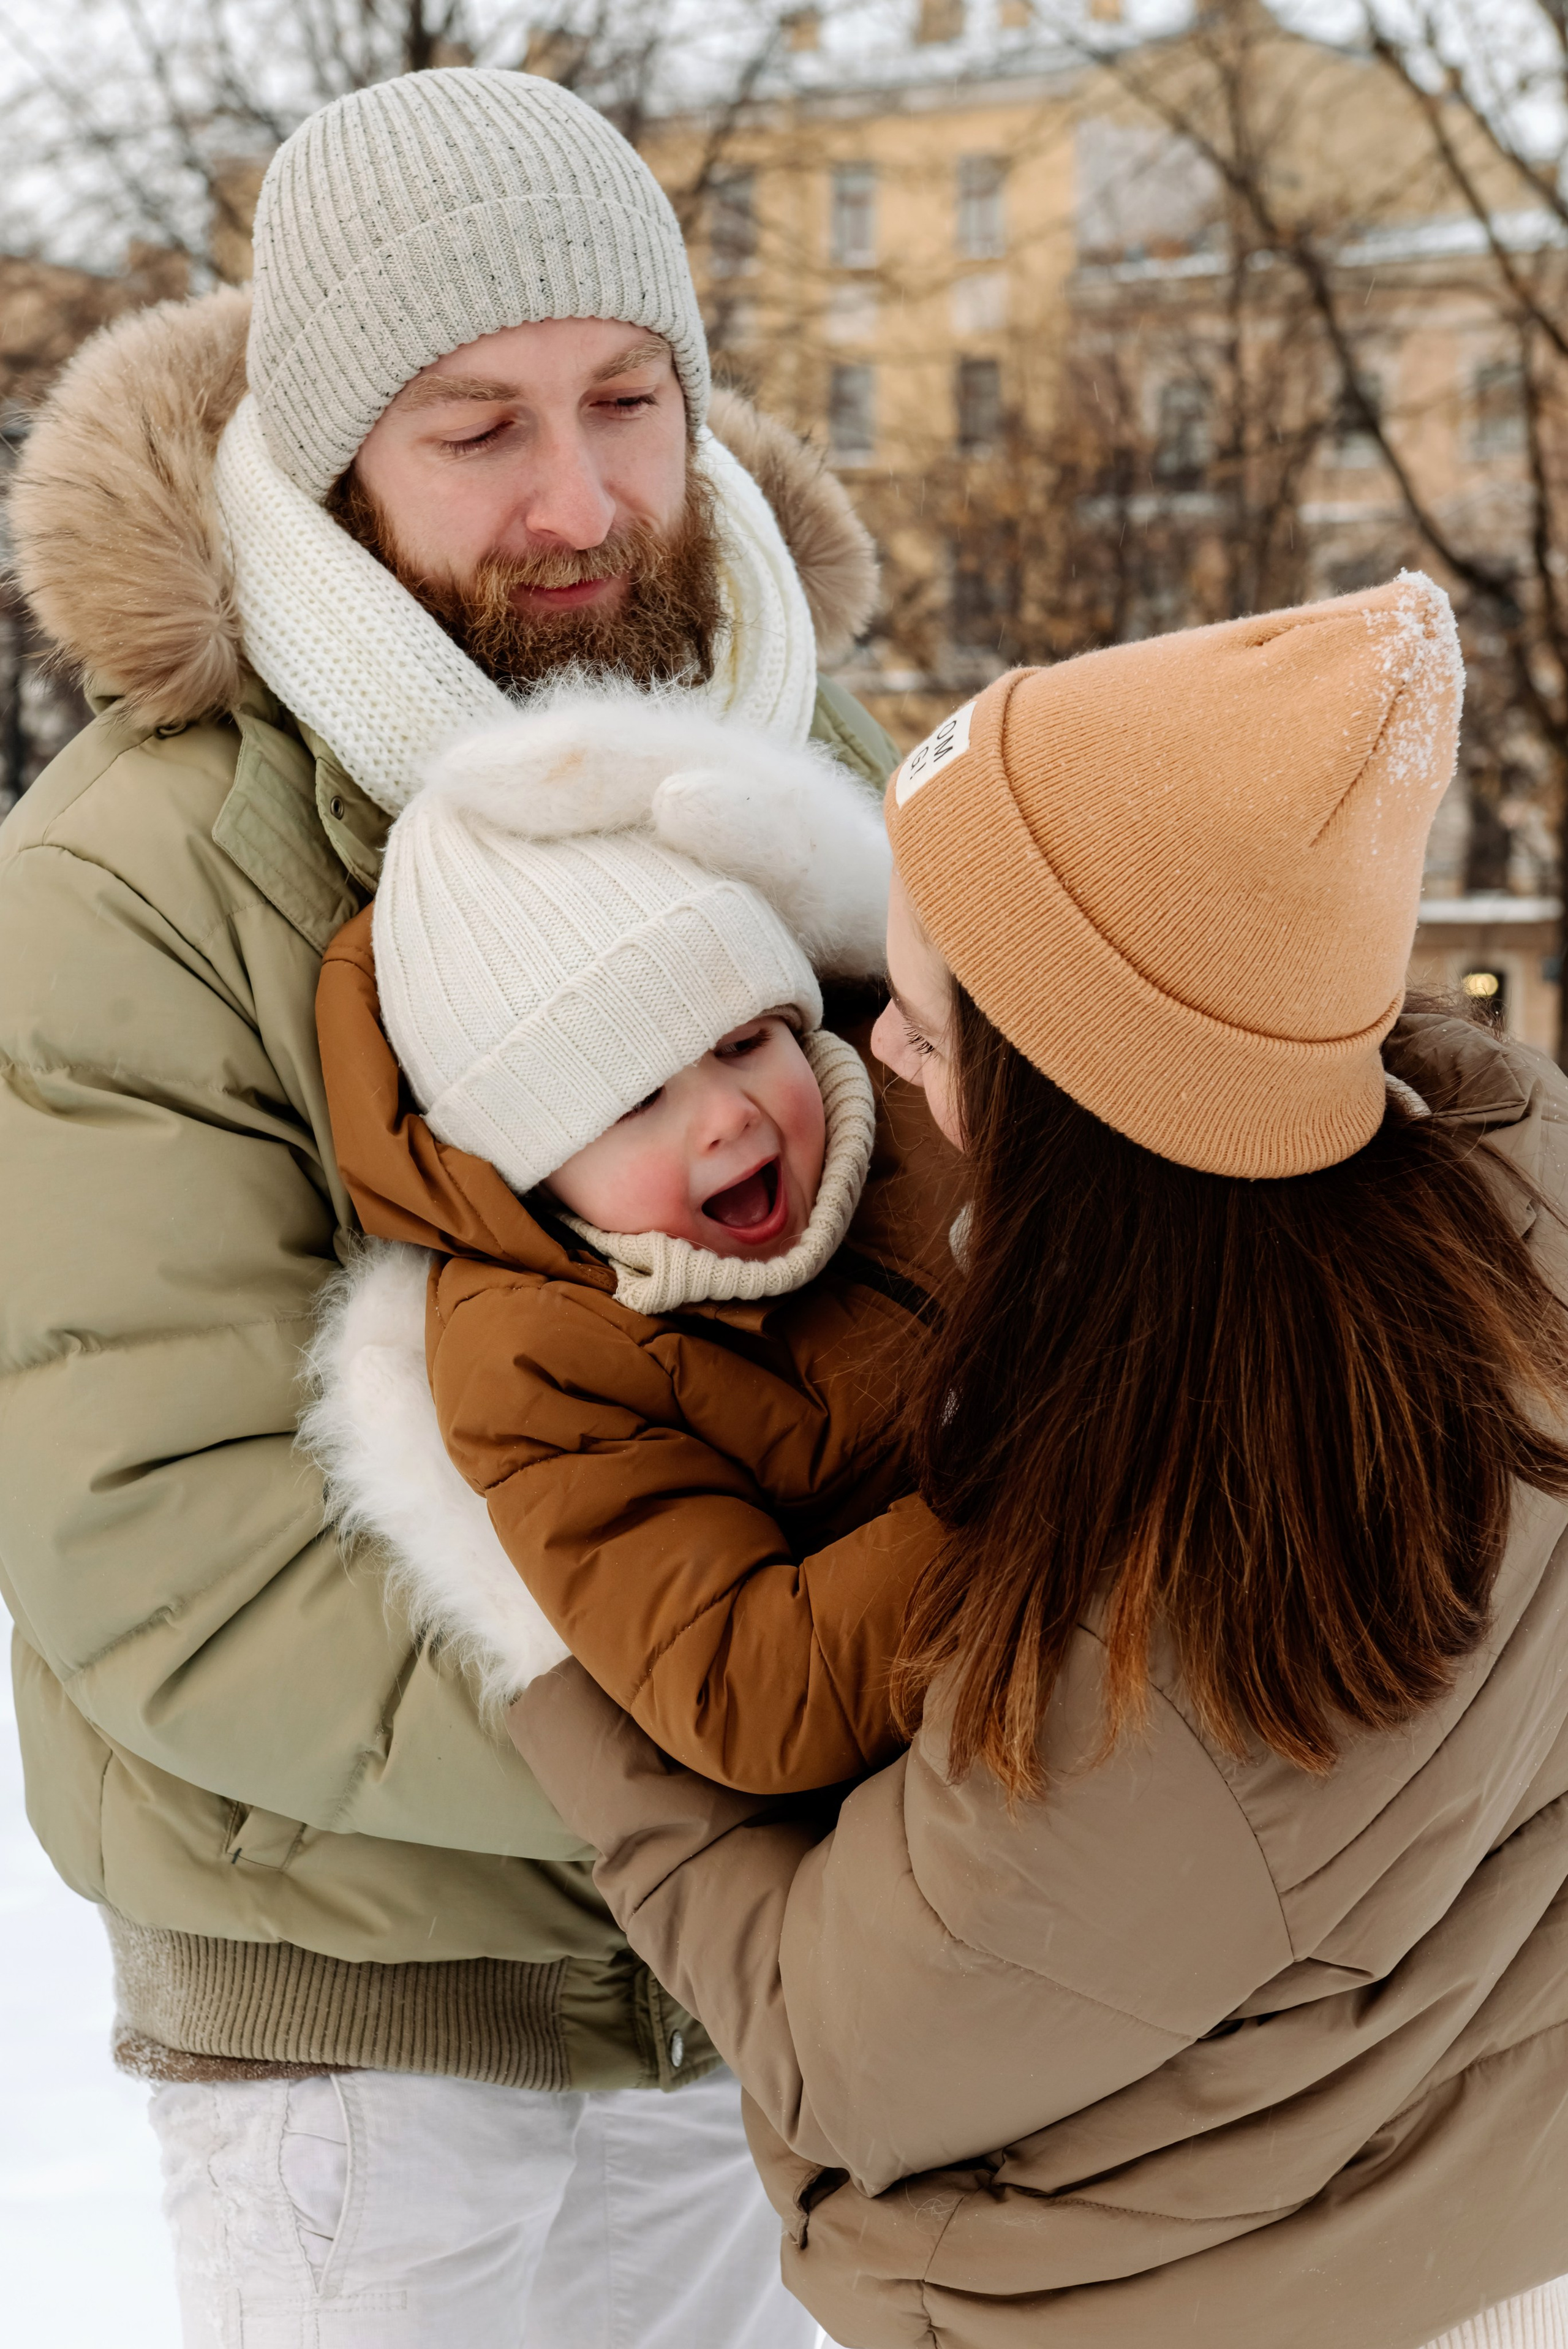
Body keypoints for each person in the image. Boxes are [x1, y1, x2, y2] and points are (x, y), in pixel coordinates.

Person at [0, 66, 900, 2349]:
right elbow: (162, 1535)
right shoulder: (131, 880)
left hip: (764, 1986)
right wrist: (741, 1742)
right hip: (364, 2016)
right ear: (331, 460)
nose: (582, 495)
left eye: (627, 397)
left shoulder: (823, 786)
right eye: (474, 426)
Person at [509, 572, 1568, 2349]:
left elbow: (840, 2047)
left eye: (922, 1018)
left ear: (1084, 1115)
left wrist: (553, 1628)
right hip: (1475, 2201)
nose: (877, 1047)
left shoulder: (1189, 1642)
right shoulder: (1496, 1176)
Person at [306, 685, 954, 1790]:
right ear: (533, 1162)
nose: (730, 1114)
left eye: (749, 1039)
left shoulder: (921, 1084)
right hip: (966, 1734)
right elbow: (749, 1691)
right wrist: (1029, 1491)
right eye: (636, 1099)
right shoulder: (542, 1362)